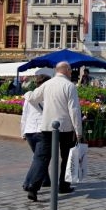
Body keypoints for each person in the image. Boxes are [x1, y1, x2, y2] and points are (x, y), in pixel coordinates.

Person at [22, 62, 82, 202]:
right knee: (67, 157)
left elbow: (33, 98)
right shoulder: (69, 86)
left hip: (47, 127)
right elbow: (74, 110)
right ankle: (64, 185)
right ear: (66, 70)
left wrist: (26, 92)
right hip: (65, 128)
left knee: (42, 158)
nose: (71, 72)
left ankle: (33, 187)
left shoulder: (47, 84)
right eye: (70, 70)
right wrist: (78, 131)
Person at [20, 75, 51, 187]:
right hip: (42, 131)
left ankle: (45, 180)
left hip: (29, 131)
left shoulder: (29, 96)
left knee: (39, 156)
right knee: (41, 158)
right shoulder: (48, 97)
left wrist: (23, 132)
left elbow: (25, 115)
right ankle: (29, 184)